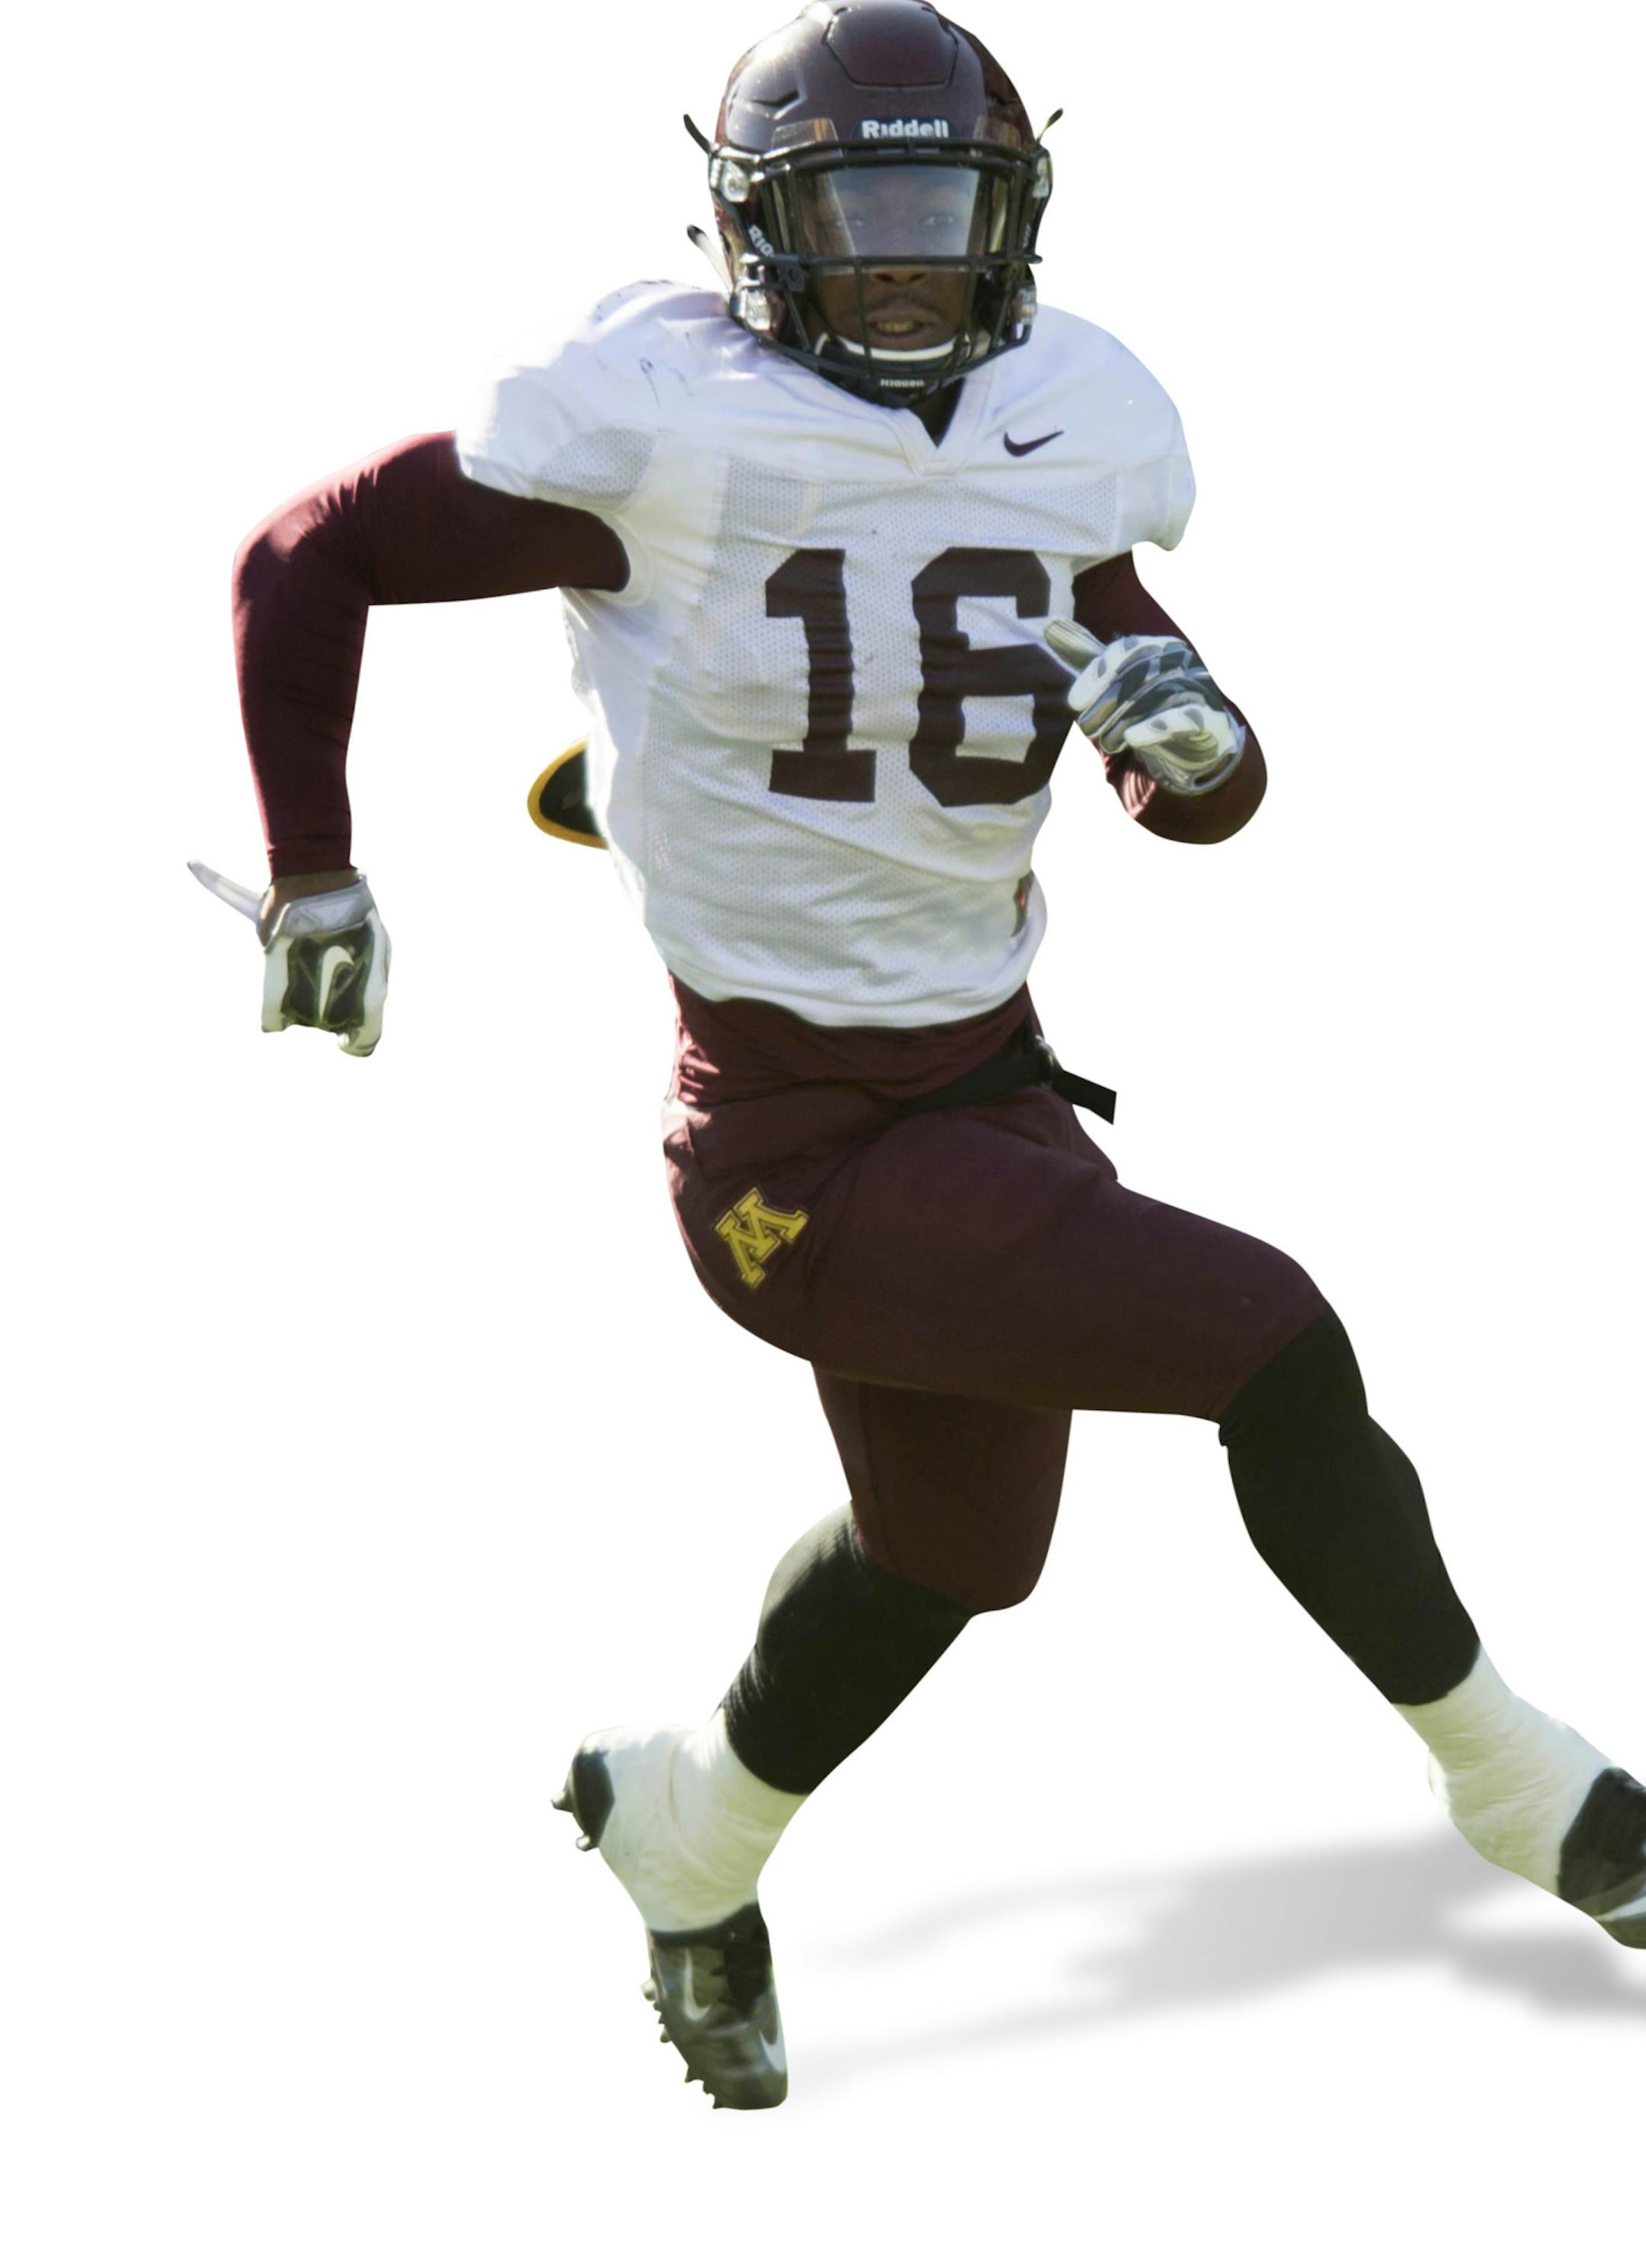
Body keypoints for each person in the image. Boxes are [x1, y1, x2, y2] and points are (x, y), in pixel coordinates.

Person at [199, 0, 1644, 2110]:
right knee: (1274, 1341)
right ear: (752, 229)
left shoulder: (1070, 420)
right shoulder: (662, 422)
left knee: (960, 1553)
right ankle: (1536, 1795)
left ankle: (687, 1828)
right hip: (791, 1143)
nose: (895, 259)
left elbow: (1164, 742)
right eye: (852, 214)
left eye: (935, 209)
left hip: (990, 1081)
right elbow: (306, 551)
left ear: (1012, 217)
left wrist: (1199, 759)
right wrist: (316, 866)